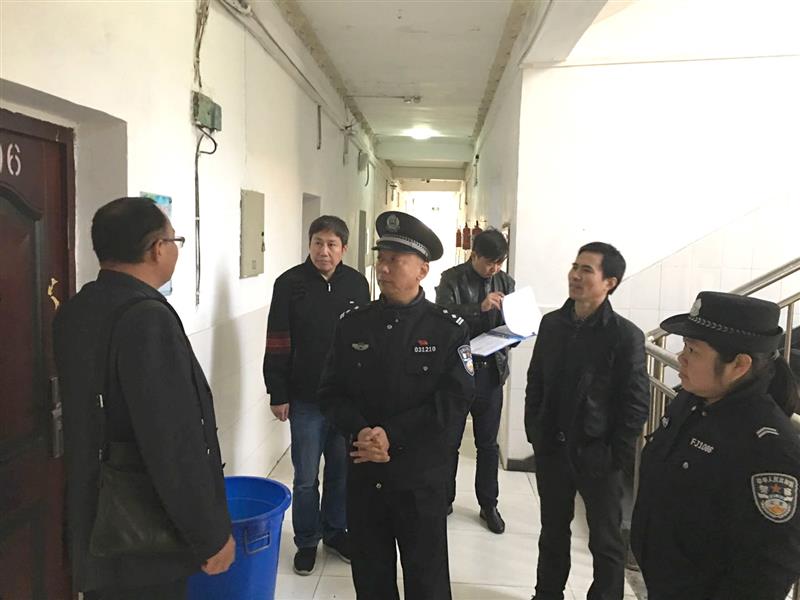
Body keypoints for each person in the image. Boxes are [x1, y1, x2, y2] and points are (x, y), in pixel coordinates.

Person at [53, 197, 234, 600]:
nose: (174, 251)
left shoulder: (76, 310)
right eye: (174, 241)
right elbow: (172, 442)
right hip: (143, 537)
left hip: (94, 519)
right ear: (156, 249)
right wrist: (209, 535)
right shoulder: (147, 319)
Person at [318, 211, 475, 599]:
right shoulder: (353, 323)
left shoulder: (448, 329)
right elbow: (331, 392)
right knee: (371, 579)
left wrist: (392, 435)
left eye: (395, 260)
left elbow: (454, 403)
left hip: (420, 480)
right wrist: (361, 431)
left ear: (422, 270)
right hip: (365, 474)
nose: (383, 268)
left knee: (427, 581)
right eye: (381, 258)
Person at [631, 291, 800, 600]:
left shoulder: (770, 448)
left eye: (693, 350)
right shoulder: (691, 401)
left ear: (739, 365)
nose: (681, 357)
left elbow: (765, 573)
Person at [524, 241, 649, 600]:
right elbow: (536, 380)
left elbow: (635, 403)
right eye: (575, 267)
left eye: (586, 270)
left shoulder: (624, 335)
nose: (575, 276)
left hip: (599, 454)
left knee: (605, 541)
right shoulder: (552, 324)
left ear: (610, 282)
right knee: (552, 532)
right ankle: (547, 594)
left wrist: (614, 456)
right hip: (553, 449)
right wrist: (535, 431)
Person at [263, 215, 370, 575]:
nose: (324, 251)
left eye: (331, 244)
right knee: (306, 476)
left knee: (341, 471)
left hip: (345, 400)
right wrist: (278, 391)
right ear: (309, 244)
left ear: (344, 248)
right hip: (305, 398)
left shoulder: (356, 284)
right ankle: (307, 540)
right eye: (318, 243)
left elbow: (366, 340)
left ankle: (336, 532)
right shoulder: (289, 284)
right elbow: (277, 340)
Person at [436, 227, 515, 533]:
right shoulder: (452, 279)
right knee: (450, 442)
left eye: (499, 262)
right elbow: (443, 318)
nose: (494, 268)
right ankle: (444, 499)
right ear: (475, 255)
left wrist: (518, 329)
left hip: (491, 372)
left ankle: (489, 504)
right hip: (458, 372)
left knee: (488, 444)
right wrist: (478, 308)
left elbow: (511, 323)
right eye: (489, 262)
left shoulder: (506, 282)